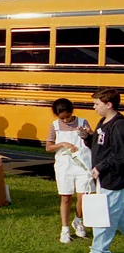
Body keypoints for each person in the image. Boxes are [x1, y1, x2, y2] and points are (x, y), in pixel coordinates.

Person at [80, 89, 124, 253]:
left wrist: (101, 167)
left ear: (109, 104)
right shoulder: (103, 122)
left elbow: (120, 155)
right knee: (119, 215)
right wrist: (87, 137)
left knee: (106, 215)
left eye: (97, 104)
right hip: (104, 177)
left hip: (114, 177)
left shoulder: (119, 125)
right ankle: (99, 250)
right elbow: (100, 147)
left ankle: (99, 252)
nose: (94, 107)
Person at [46, 98, 92, 244]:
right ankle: (64, 229)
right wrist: (63, 144)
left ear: (72, 111)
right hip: (64, 165)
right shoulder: (55, 126)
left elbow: (91, 138)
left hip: (82, 164)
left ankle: (78, 220)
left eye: (68, 116)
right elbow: (49, 147)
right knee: (66, 197)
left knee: (83, 196)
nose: (65, 120)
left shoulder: (83, 122)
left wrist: (86, 133)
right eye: (62, 118)